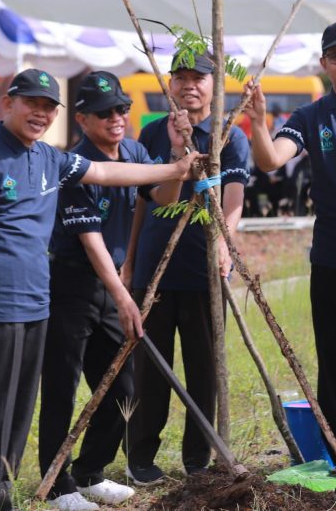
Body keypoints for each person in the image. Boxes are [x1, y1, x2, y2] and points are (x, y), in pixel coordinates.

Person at [0, 69, 200, 511]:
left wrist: (175, 166)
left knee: (19, 409)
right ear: (8, 104)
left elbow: (106, 172)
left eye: (47, 106)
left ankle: (0, 494)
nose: (39, 113)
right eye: (31, 103)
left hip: (36, 301)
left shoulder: (51, 159)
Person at [39, 72, 191, 511]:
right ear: (82, 119)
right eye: (104, 113)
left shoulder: (135, 152)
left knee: (125, 387)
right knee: (62, 389)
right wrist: (125, 292)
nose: (116, 118)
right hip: (72, 284)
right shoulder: (74, 166)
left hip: (111, 288)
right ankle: (57, 485)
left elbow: (163, 197)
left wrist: (179, 153)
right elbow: (91, 242)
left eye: (122, 109)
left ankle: (91, 470)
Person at [247, 18, 336, 471]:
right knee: (335, 357)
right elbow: (270, 161)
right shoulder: (309, 116)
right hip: (333, 256)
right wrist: (257, 120)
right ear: (324, 63)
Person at [124, 52, 249, 485]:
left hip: (203, 271)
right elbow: (150, 200)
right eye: (181, 77)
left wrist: (224, 242)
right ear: (170, 83)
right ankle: (140, 458)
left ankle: (197, 458)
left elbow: (233, 201)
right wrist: (131, 258)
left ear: (215, 84)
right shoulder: (153, 132)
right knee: (150, 370)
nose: (189, 85)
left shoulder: (228, 136)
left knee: (203, 369)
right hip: (154, 271)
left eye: (199, 77)